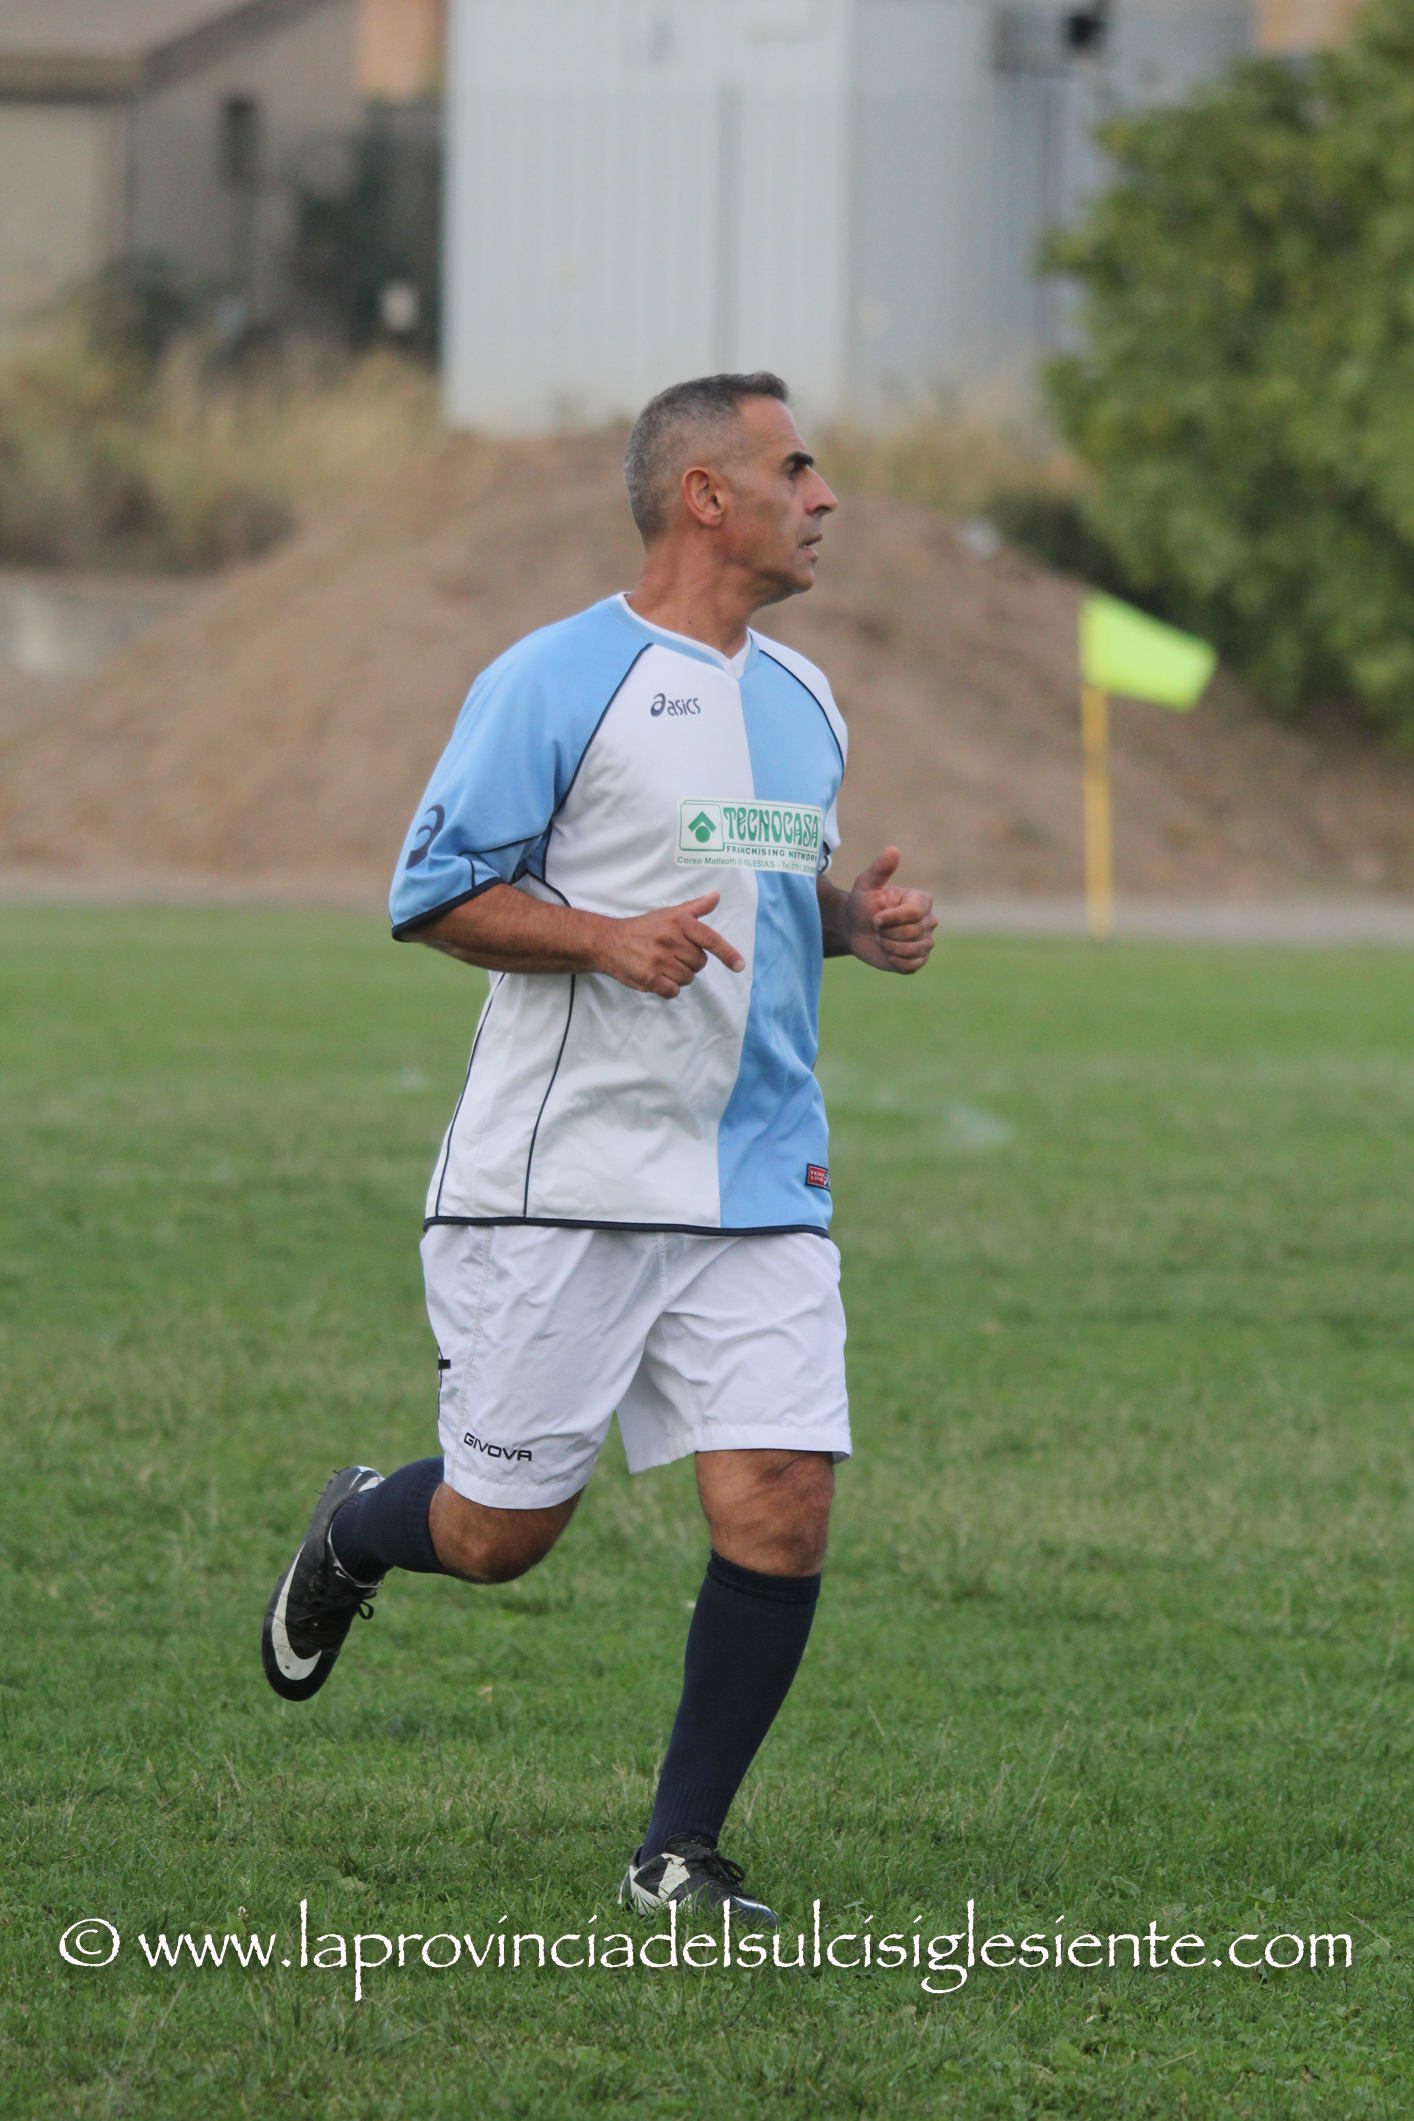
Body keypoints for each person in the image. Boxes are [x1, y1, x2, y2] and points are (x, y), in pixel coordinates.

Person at [261, 371, 936, 1927]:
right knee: (499, 1534)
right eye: (794, 468)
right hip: (559, 1179)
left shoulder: (808, 697)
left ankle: (677, 1852)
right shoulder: (554, 678)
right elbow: (432, 891)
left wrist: (854, 921)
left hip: (759, 1174)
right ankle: (357, 1523)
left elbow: (758, 890)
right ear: (705, 495)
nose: (823, 497)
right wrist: (597, 939)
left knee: (782, 1500)